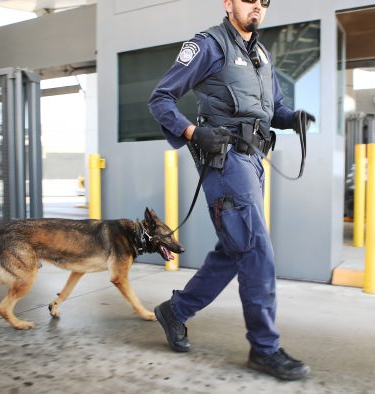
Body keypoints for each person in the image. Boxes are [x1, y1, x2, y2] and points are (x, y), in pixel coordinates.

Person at [148, 0, 315, 381]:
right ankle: (265, 349)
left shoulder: (261, 54)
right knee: (257, 251)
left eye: (264, 0)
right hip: (225, 161)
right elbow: (161, 98)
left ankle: (175, 312)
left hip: (254, 162)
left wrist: (294, 118)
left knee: (234, 249)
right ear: (228, 3)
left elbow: (276, 107)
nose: (257, 5)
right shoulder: (207, 45)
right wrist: (193, 132)